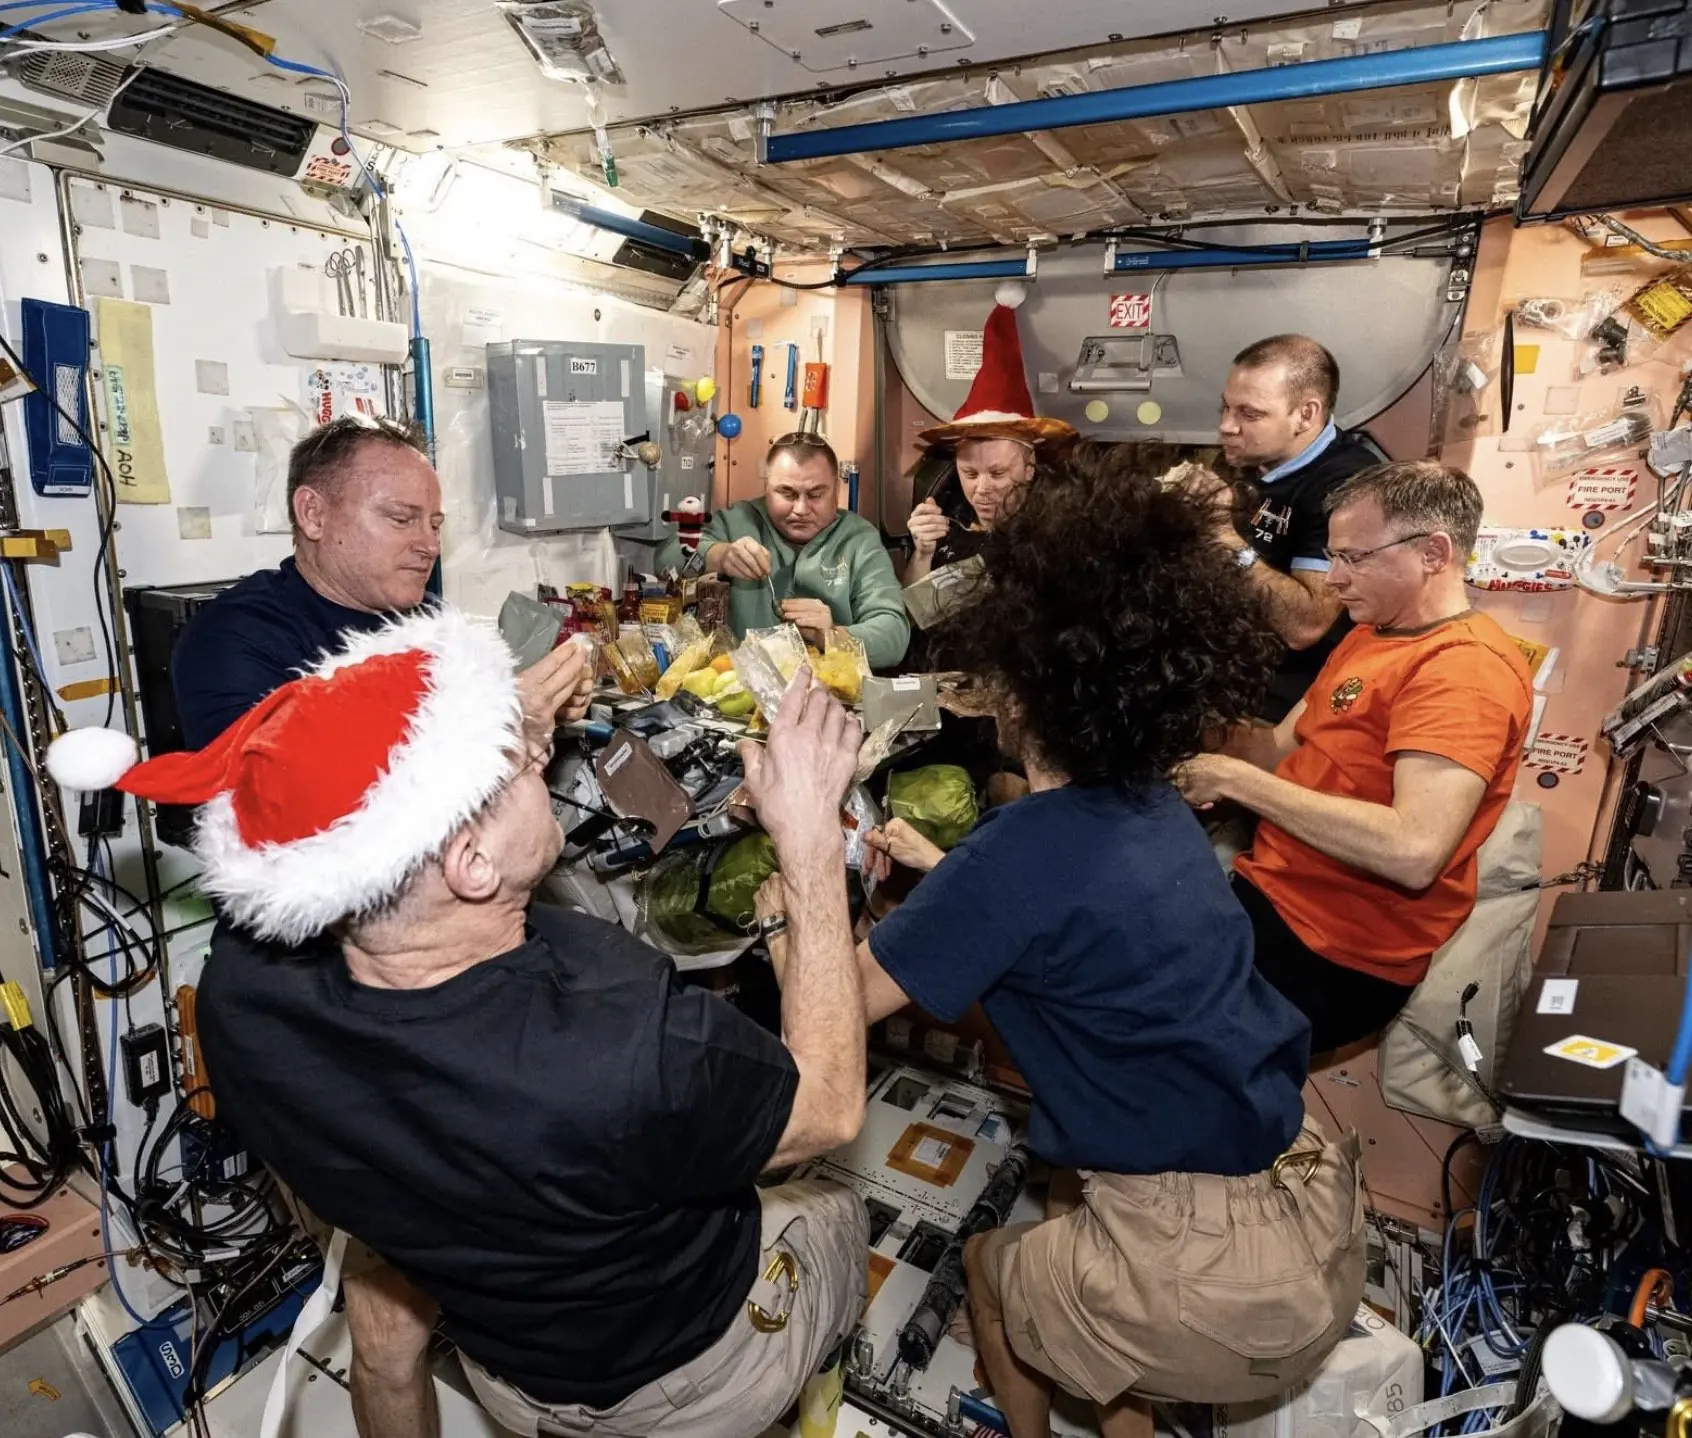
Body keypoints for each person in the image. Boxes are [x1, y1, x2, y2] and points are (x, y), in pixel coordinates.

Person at [48, 610, 871, 1438]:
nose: (540, 755)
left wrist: (501, 723)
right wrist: (806, 836)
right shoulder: (620, 1032)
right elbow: (829, 1108)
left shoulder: (240, 999)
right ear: (471, 865)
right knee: (837, 1207)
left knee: (385, 1318)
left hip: (502, 1357)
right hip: (681, 1375)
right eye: (511, 761)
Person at [759, 443, 1364, 1438]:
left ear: (1021, 687)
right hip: (1309, 1202)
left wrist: (793, 891)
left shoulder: (1017, 854)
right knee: (1075, 1227)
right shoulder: (1157, 807)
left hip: (1215, 1282)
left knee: (987, 1265)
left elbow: (824, 1028)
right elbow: (1060, 906)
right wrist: (946, 870)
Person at [166, 415, 593, 1438]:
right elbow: (310, 834)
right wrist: (502, 728)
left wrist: (532, 727)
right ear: (313, 514)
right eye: (401, 517)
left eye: (435, 522)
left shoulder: (422, 620)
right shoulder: (236, 642)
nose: (427, 543)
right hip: (309, 1004)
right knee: (390, 1319)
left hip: (427, 978)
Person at [1177, 461, 1534, 1055]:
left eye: (1354, 558)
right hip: (1276, 894)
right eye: (1332, 555)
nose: (1334, 578)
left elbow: (1413, 851)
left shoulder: (1463, 671)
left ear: (1433, 552)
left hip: (1337, 952)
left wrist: (1232, 779)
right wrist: (1179, 729)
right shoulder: (1373, 634)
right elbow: (1280, 748)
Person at [1212, 334, 1383, 721]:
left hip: (1284, 707)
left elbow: (1306, 625)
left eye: (1249, 414)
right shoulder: (1248, 460)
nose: (1226, 426)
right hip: (1220, 673)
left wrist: (1221, 535)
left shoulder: (1349, 486)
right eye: (1225, 408)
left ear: (1306, 414)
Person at [655, 432, 910, 668]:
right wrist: (719, 556)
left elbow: (893, 634)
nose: (801, 509)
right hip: (741, 686)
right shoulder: (740, 521)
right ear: (766, 488)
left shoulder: (858, 539)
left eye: (815, 495)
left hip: (830, 690)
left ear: (836, 490)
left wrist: (831, 637)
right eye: (787, 493)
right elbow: (666, 556)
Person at [904, 300, 1076, 584]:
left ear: (1029, 467)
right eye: (970, 474)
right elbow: (911, 607)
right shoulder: (947, 519)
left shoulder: (1057, 530)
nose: (981, 490)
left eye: (997, 473)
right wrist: (922, 553)